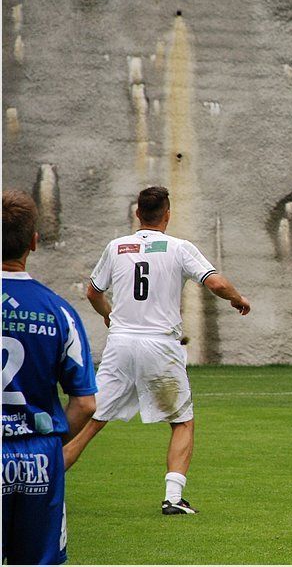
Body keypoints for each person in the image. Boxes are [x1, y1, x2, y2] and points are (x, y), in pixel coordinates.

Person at [62, 186, 251, 515]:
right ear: (168, 214)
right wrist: (238, 298)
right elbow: (216, 283)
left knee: (93, 420)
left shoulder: (116, 246)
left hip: (120, 345)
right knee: (182, 422)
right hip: (160, 347)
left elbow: (93, 292)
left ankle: (40, 480)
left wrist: (109, 314)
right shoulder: (179, 248)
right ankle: (173, 499)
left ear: (138, 214)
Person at [2, 190, 97, 564]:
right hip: (39, 456)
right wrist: (50, 445)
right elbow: (85, 403)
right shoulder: (59, 312)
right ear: (34, 242)